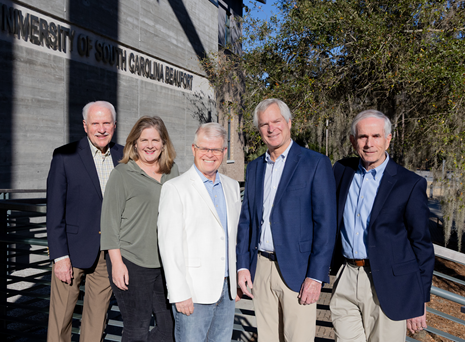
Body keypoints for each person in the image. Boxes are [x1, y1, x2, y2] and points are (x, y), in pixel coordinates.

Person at [236, 98, 336, 341]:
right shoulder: (254, 167)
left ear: (289, 122)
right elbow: (246, 220)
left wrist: (315, 276)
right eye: (264, 124)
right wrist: (242, 266)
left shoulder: (315, 163)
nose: (271, 128)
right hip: (261, 268)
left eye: (276, 121)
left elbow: (326, 224)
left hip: (298, 271)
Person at [330, 110, 435, 341]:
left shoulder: (409, 183)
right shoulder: (341, 171)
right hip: (347, 275)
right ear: (352, 140)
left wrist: (419, 299)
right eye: (362, 137)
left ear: (388, 139)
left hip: (390, 284)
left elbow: (422, 244)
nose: (369, 144)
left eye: (376, 136)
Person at [46, 101, 123, 342]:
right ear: (85, 126)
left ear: (114, 125)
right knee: (60, 320)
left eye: (106, 123)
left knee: (96, 321)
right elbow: (54, 210)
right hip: (71, 253)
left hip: (107, 253)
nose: (101, 129)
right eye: (95, 123)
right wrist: (59, 257)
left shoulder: (124, 156)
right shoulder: (64, 156)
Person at [158, 122, 242, 342]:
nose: (210, 154)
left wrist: (236, 280)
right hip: (193, 293)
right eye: (204, 148)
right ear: (194, 149)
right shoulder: (176, 188)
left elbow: (234, 237)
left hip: (227, 290)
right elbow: (169, 246)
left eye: (216, 149)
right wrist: (179, 293)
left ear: (224, 152)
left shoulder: (232, 186)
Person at [100, 116, 179, 342]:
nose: (150, 145)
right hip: (132, 262)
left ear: (164, 143)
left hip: (165, 263)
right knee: (137, 329)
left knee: (169, 327)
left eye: (155, 139)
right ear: (134, 143)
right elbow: (109, 223)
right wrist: (116, 263)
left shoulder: (174, 172)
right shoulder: (122, 174)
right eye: (144, 140)